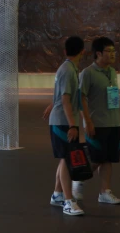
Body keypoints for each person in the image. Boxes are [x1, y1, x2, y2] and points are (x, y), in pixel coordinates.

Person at [78, 37, 120, 205]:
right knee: (96, 158)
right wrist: (87, 121)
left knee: (108, 159)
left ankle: (105, 192)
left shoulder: (112, 71)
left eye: (114, 51)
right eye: (109, 52)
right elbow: (81, 98)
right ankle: (78, 179)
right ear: (98, 53)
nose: (113, 55)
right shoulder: (88, 73)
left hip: (114, 122)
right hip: (97, 123)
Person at [43, 35, 86, 216]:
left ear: (65, 51)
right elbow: (66, 99)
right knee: (67, 159)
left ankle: (58, 194)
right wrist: (72, 125)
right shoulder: (68, 70)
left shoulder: (69, 69)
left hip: (61, 119)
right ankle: (68, 202)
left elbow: (61, 96)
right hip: (62, 122)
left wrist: (52, 105)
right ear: (82, 52)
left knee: (64, 158)